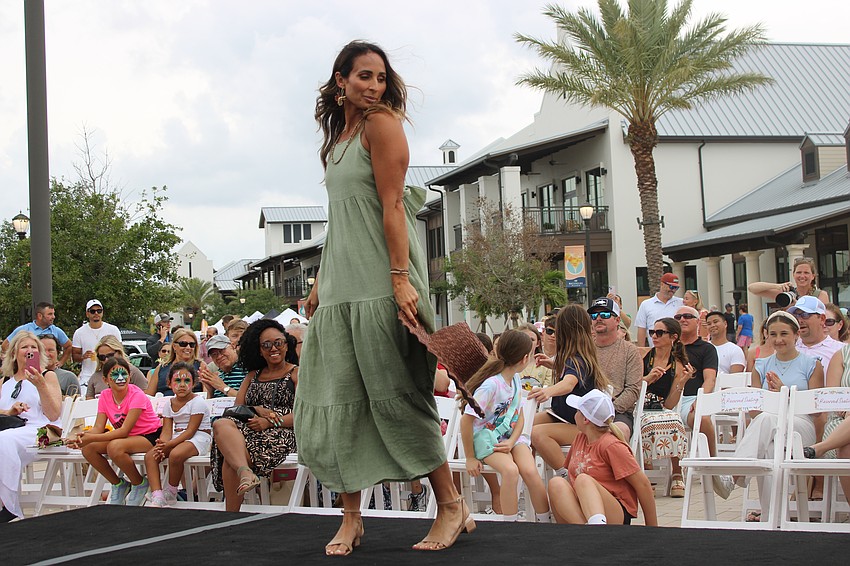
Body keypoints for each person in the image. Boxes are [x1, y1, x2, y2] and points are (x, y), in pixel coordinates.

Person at [294, 40, 470, 555]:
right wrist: (320, 281)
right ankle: (352, 518)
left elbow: (394, 208)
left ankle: (451, 505)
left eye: (379, 77)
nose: (372, 86)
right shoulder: (338, 139)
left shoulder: (382, 125)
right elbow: (341, 220)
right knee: (337, 399)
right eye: (363, 76)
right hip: (341, 285)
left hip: (378, 281)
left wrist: (399, 278)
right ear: (341, 80)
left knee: (399, 398)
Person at [730, 311, 823, 521]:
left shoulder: (812, 364)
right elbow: (754, 411)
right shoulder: (761, 365)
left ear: (796, 335)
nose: (778, 340)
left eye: (784, 334)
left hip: (800, 427)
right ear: (767, 336)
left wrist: (785, 394)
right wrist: (768, 401)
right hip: (768, 427)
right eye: (773, 334)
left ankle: (735, 472)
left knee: (767, 420)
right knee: (769, 449)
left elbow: (816, 410)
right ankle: (773, 518)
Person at [461, 330, 551, 523]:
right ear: (525, 358)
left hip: (510, 437)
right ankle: (510, 525)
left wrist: (511, 442)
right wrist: (469, 457)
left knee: (530, 471)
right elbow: (466, 419)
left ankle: (545, 521)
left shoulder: (516, 380)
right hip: (485, 438)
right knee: (511, 471)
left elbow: (518, 417)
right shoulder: (491, 385)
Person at [210, 320, 297, 512]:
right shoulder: (252, 376)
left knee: (231, 457)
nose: (273, 348)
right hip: (248, 427)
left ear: (286, 344)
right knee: (222, 424)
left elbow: (305, 414)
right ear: (258, 350)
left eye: (278, 342)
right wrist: (257, 409)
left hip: (282, 431)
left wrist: (269, 423)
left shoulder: (296, 374)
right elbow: (235, 410)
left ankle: (230, 513)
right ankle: (245, 472)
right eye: (266, 345)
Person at [548, 389, 657, 526]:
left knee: (583, 480)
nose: (574, 414)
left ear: (586, 419)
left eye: (577, 411)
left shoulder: (611, 445)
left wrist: (652, 527)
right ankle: (583, 534)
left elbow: (643, 484)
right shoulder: (580, 438)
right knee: (556, 483)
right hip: (584, 506)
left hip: (614, 511)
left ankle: (597, 529)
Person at [66, 356, 162, 506]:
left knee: (114, 447)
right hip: (125, 438)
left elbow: (124, 431)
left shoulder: (137, 395)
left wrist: (90, 438)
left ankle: (139, 482)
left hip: (149, 435)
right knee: (88, 449)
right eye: (115, 375)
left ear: (130, 376)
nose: (120, 378)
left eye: (124, 374)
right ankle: (118, 484)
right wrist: (79, 437)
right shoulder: (105, 396)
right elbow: (98, 428)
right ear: (106, 380)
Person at [529, 304, 610, 474]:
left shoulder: (577, 360)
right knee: (524, 424)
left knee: (537, 433)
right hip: (562, 416)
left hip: (583, 426)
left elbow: (569, 383)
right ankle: (529, 471)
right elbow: (569, 372)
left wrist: (547, 391)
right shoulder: (576, 357)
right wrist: (552, 364)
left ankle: (567, 474)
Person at [0, 332, 62, 521]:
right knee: (4, 440)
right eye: (25, 347)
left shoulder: (48, 376)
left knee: (4, 440)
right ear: (14, 354)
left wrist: (40, 385)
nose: (30, 351)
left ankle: (9, 505)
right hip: (14, 429)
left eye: (34, 347)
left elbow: (54, 414)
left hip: (43, 430)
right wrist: (10, 411)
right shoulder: (5, 382)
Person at [674, 305, 733, 498]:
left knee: (704, 419)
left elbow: (710, 379)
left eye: (687, 316)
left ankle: (713, 465)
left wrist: (701, 399)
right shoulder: (669, 345)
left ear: (698, 322)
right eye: (678, 316)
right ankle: (673, 474)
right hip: (671, 398)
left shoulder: (706, 348)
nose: (682, 319)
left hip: (692, 397)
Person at [145, 362, 212, 507]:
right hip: (178, 437)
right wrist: (161, 444)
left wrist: (169, 445)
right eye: (177, 380)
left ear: (194, 384)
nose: (182, 384)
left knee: (176, 454)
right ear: (169, 383)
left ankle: (171, 491)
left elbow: (191, 431)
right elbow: (167, 430)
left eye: (187, 380)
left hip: (199, 437)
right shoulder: (169, 404)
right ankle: (157, 494)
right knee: (151, 455)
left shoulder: (197, 402)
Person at [639, 318, 692, 497]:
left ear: (673, 337)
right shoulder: (644, 356)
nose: (654, 336)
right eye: (653, 332)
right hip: (638, 404)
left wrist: (682, 383)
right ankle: (647, 470)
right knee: (645, 422)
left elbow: (670, 404)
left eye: (659, 333)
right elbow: (631, 385)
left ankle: (677, 472)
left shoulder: (677, 365)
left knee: (674, 419)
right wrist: (647, 379)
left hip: (660, 407)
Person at [802, 343, 850, 506]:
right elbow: (833, 395)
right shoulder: (842, 355)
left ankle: (820, 448)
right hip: (841, 420)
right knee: (847, 448)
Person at [588, 297, 641, 438]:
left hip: (618, 413)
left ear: (617, 320)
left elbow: (633, 390)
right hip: (585, 412)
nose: (598, 318)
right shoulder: (584, 349)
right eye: (594, 315)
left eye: (605, 315)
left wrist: (607, 410)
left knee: (616, 433)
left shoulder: (630, 350)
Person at [71, 299, 122, 389]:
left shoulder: (113, 329)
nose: (96, 313)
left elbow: (120, 352)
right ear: (87, 314)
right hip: (87, 377)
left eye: (99, 311)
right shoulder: (79, 332)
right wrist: (83, 356)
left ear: (102, 312)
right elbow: (75, 356)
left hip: (111, 374)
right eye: (92, 311)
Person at [2, 302, 72, 366]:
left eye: (53, 314)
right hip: (29, 370)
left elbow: (69, 346)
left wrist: (61, 362)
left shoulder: (56, 331)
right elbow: (5, 346)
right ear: (40, 316)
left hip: (51, 370)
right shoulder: (24, 329)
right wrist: (16, 362)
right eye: (50, 314)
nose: (53, 317)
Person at [145, 328, 207, 396]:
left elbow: (207, 394)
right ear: (174, 346)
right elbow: (149, 396)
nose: (188, 347)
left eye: (192, 344)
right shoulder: (161, 368)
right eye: (183, 344)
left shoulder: (201, 366)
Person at [788, 296, 843, 371]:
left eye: (805, 315)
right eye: (796, 316)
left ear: (822, 319)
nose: (800, 320)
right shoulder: (787, 349)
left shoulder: (841, 350)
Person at [748, 256, 829, 306]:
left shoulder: (820, 295)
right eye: (799, 272)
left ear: (813, 276)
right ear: (793, 274)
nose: (802, 276)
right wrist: (777, 286)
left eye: (806, 273)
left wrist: (796, 305)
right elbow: (752, 288)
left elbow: (823, 316)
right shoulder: (789, 295)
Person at [634, 273, 684, 347]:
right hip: (655, 351)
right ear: (662, 284)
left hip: (677, 350)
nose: (673, 290)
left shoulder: (681, 303)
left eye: (676, 288)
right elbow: (642, 329)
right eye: (671, 286)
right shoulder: (646, 304)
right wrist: (641, 351)